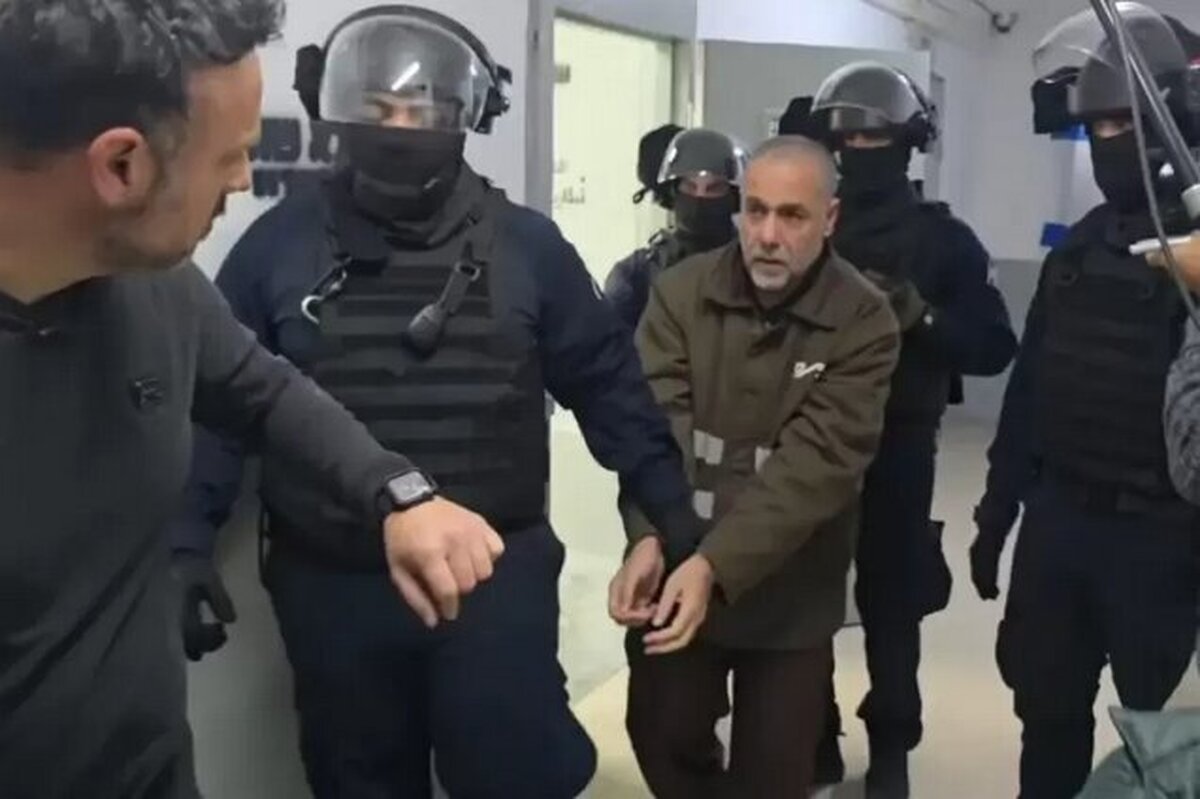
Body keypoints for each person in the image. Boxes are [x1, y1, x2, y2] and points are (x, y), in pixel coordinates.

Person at [171, 7, 707, 798]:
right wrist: (186, 539)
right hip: (335, 583)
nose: (398, 129)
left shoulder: (528, 248)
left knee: (513, 776)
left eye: (419, 111)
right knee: (359, 780)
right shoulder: (278, 246)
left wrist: (669, 514)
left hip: (492, 577)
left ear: (462, 116)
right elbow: (221, 405)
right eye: (379, 110)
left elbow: (609, 387)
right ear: (337, 109)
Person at [0, 1, 516, 798]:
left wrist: (399, 494)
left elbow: (266, 393)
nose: (244, 179)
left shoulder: (160, 290)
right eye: (230, 156)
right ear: (121, 166)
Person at [612, 135, 901, 798]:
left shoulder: (863, 319)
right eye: (756, 211)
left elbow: (815, 468)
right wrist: (646, 537)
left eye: (792, 216)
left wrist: (713, 567)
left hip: (790, 593)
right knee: (662, 733)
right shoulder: (680, 293)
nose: (768, 235)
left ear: (829, 218)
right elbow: (653, 432)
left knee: (775, 771)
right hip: (676, 560)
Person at [972, 7, 1200, 797]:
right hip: (1062, 525)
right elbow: (1029, 396)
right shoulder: (1078, 249)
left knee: (1168, 745)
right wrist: (997, 513)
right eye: (1098, 125)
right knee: (1047, 715)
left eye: (1127, 124)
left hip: (1168, 541)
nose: (1111, 142)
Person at [801, 62, 1018, 795]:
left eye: (876, 137)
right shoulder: (808, 224)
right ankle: (814, 731)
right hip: (809, 437)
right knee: (803, 593)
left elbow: (994, 347)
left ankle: (892, 739)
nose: (860, 150)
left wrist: (921, 316)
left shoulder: (944, 241)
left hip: (898, 441)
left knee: (893, 601)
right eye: (848, 138)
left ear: (908, 142)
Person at [605, 128, 746, 330]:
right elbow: (613, 344)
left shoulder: (754, 267)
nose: (700, 198)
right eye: (690, 186)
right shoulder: (635, 275)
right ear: (673, 192)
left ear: (732, 197)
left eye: (714, 188)